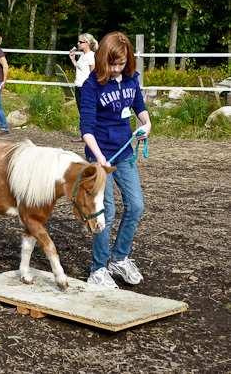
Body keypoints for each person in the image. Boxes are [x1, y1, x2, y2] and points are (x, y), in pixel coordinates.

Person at [80, 31, 151, 289]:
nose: (116, 69)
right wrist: (99, 158)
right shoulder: (92, 86)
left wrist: (147, 123)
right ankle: (98, 269)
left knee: (136, 207)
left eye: (121, 64)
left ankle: (119, 258)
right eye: (112, 64)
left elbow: (139, 106)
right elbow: (86, 128)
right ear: (102, 60)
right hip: (100, 155)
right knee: (106, 212)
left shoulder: (131, 79)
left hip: (125, 152)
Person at [69, 33, 98, 142]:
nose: (78, 44)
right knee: (82, 112)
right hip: (79, 86)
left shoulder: (91, 56)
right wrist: (73, 59)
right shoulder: (82, 55)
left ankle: (90, 135)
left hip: (86, 87)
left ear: (87, 43)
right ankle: (85, 135)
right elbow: (80, 68)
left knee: (87, 112)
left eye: (81, 42)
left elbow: (92, 73)